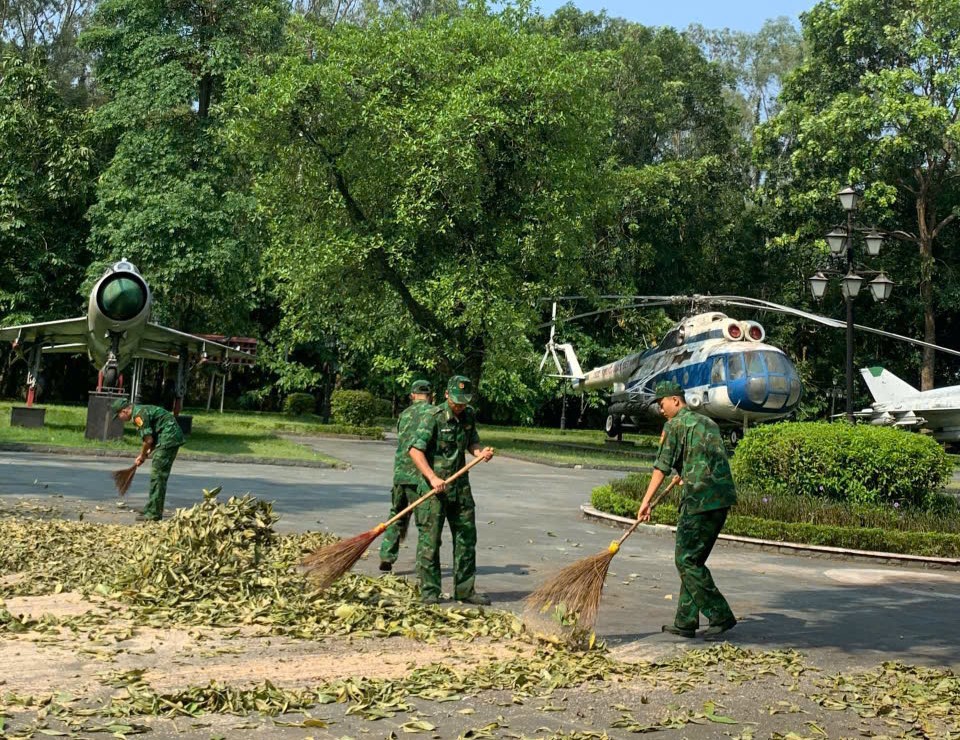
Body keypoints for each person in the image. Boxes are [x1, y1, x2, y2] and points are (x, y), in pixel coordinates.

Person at [636, 380, 737, 639]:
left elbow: (661, 467)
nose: (661, 410)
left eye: (662, 404)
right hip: (721, 499)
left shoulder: (675, 425)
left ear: (676, 401)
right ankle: (685, 621)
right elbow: (707, 458)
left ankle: (720, 615)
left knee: (685, 560)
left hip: (699, 501)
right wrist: (685, 472)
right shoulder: (708, 423)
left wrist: (646, 501)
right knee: (693, 560)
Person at [408, 375, 494, 605]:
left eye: (464, 401)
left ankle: (465, 591)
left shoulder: (468, 415)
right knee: (430, 541)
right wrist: (433, 477)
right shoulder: (432, 417)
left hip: (460, 489)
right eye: (456, 401)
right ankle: (429, 591)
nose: (460, 406)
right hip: (433, 490)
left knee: (466, 538)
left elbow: (471, 442)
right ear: (447, 395)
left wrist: (480, 453)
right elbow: (415, 451)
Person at [379, 378, 434, 572]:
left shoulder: (404, 414)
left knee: (396, 514)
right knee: (424, 523)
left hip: (399, 473)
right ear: (431, 396)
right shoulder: (433, 413)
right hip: (420, 475)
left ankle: (387, 555)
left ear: (412, 396)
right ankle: (422, 565)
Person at [112, 398, 185, 522]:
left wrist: (142, 455)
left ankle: (154, 513)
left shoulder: (138, 416)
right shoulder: (140, 411)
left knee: (158, 477)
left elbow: (148, 440)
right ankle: (151, 507)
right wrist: (145, 454)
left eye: (118, 415)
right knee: (156, 476)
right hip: (166, 437)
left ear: (124, 411)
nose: (120, 419)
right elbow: (152, 435)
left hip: (168, 439)